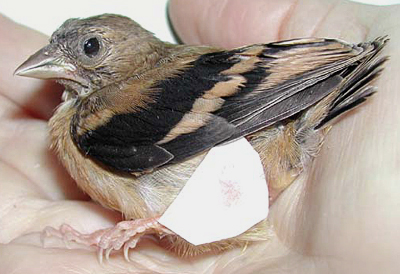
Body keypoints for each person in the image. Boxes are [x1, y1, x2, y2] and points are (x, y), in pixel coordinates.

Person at [0, 0, 398, 272]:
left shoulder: (96, 118)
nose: (52, 62)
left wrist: (145, 225)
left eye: (90, 48)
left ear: (131, 50)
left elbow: (218, 177)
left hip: (266, 131)